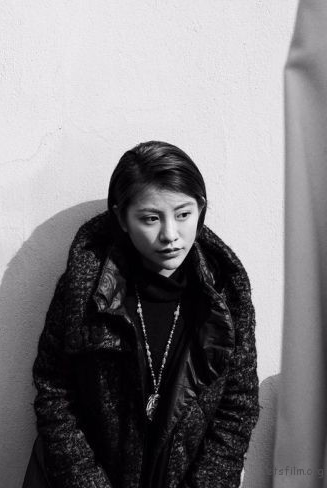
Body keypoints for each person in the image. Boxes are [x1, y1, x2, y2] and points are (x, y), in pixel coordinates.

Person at [23, 140, 260, 488]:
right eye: (151, 218)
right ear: (121, 217)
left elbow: (238, 404)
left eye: (183, 214)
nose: (170, 235)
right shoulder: (85, 287)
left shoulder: (226, 291)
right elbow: (54, 389)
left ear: (201, 209)